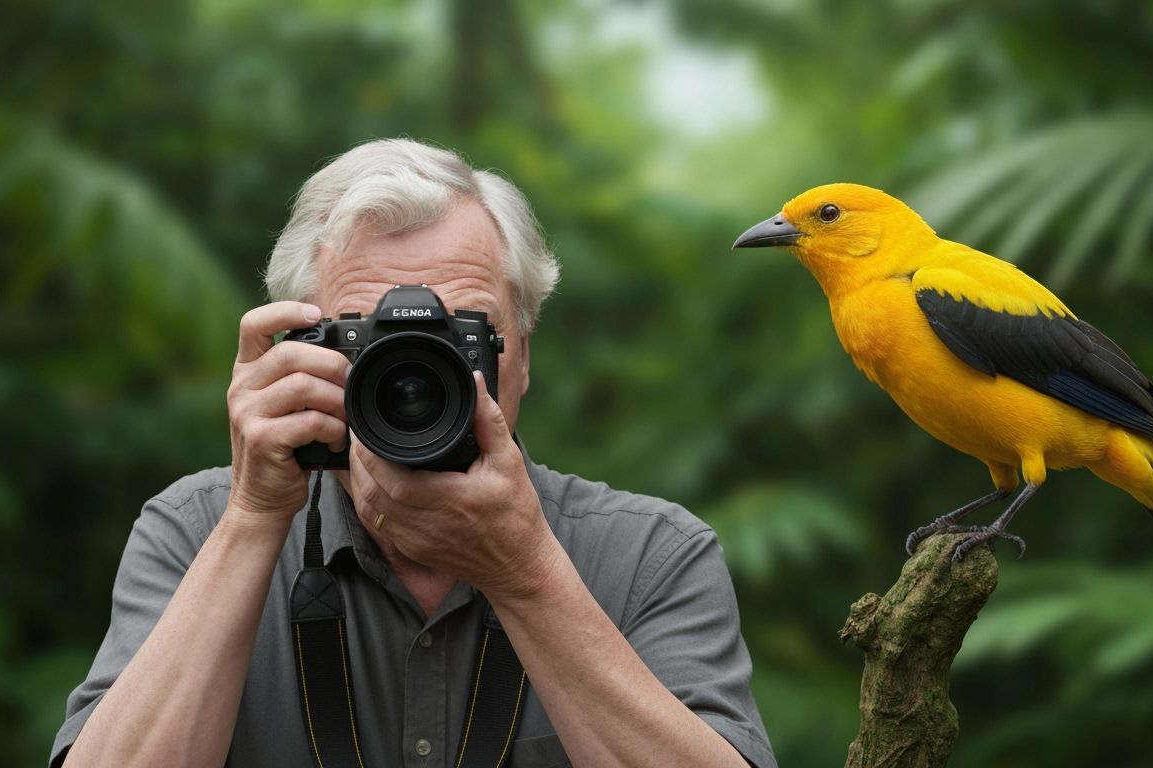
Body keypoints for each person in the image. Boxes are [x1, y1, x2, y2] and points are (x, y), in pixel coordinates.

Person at [51, 138, 776, 768]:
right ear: (299, 350)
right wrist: (253, 515)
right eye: (370, 341)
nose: (418, 377)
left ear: (521, 355)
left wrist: (526, 576)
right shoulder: (195, 530)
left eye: (460, 335)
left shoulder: (649, 554)